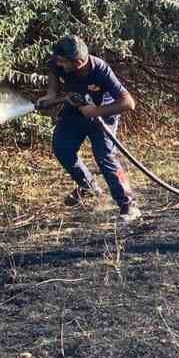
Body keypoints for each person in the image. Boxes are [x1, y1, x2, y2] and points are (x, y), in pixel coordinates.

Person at [38, 35, 141, 222]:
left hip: (103, 114)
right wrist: (51, 95)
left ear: (78, 63)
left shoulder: (100, 70)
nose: (58, 64)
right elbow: (53, 72)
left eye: (62, 62)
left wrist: (95, 112)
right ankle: (88, 186)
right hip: (76, 109)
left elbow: (128, 103)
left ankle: (128, 205)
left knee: (105, 158)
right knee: (62, 148)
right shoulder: (58, 61)